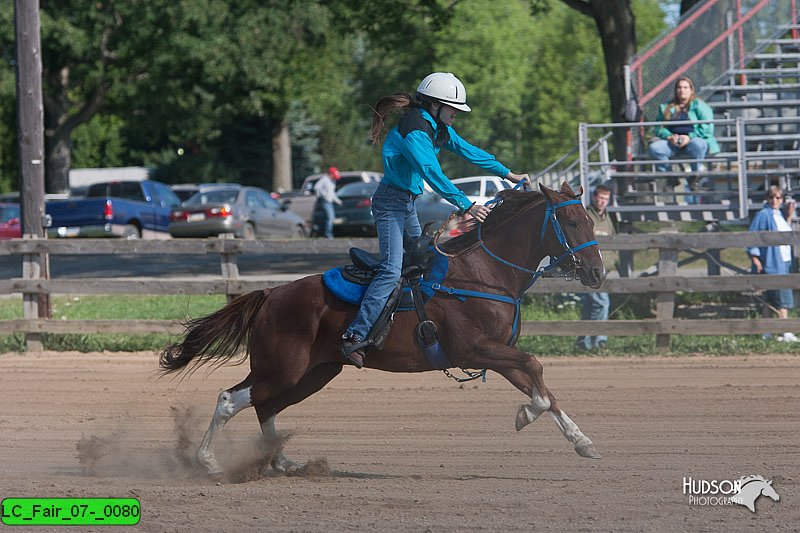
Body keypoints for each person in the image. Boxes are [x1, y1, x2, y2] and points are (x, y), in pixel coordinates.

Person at [340, 72, 530, 368]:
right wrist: (466, 205)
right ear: (434, 105)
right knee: (392, 270)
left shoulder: (435, 126)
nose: (456, 115)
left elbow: (470, 152)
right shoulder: (416, 129)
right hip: (390, 204)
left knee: (422, 262)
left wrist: (507, 173)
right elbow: (432, 172)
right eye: (453, 109)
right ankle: (355, 334)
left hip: (405, 203)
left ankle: (412, 329)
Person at [648, 77, 720, 200]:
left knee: (698, 144)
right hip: (673, 143)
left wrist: (689, 137)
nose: (682, 90)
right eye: (679, 87)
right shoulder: (666, 107)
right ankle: (670, 176)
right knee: (655, 148)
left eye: (685, 87)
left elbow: (707, 128)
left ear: (691, 90)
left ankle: (694, 176)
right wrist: (669, 136)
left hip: (693, 141)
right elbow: (658, 128)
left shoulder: (700, 106)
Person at [747, 185, 798, 343]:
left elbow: (785, 234)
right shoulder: (763, 214)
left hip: (784, 260)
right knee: (782, 296)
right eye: (771, 197)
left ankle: (767, 331)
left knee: (770, 298)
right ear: (767, 198)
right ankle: (785, 331)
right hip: (772, 261)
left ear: (782, 200)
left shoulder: (779, 215)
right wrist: (755, 257)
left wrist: (788, 216)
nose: (774, 200)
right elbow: (753, 237)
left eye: (778, 198)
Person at [575, 184, 617, 351]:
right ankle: (600, 340)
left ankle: (583, 342)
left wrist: (615, 260)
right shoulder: (586, 216)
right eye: (600, 198)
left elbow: (613, 240)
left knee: (590, 307)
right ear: (594, 198)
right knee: (602, 304)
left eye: (606, 199)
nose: (602, 202)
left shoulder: (607, 218)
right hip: (590, 270)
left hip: (605, 270)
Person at [314, 166, 342, 239]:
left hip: (330, 202)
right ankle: (328, 235)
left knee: (328, 218)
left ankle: (324, 233)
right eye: (334, 175)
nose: (334, 177)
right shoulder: (324, 179)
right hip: (324, 201)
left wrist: (338, 201)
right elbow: (316, 187)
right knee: (330, 217)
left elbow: (332, 193)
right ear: (330, 173)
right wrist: (323, 194)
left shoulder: (333, 181)